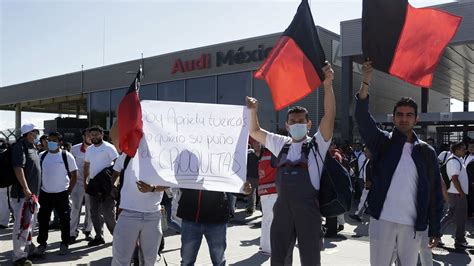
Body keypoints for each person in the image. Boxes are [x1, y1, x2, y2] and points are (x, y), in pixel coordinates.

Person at [355, 61, 443, 265]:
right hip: (381, 220)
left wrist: (435, 229)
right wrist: (366, 82)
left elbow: (434, 193)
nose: (404, 119)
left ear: (416, 119)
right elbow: (361, 116)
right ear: (393, 118)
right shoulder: (382, 142)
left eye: (409, 115)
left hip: (412, 225)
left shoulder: (426, 152)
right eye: (400, 115)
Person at [246, 63, 335, 265]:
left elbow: (329, 117)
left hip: (309, 213)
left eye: (301, 121)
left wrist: (328, 85)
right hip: (282, 211)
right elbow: (255, 132)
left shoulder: (317, 146)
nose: (297, 124)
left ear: (309, 124)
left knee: (310, 260)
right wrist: (253, 111)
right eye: (293, 121)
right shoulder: (282, 144)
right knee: (278, 259)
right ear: (286, 125)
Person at [111, 153, 166, 266]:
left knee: (149, 261)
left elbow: (171, 182)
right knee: (120, 260)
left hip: (153, 215)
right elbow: (116, 172)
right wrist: (114, 185)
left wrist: (153, 188)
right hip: (128, 213)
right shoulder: (126, 155)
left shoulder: (162, 154)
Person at [178, 184, 251, 266]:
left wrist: (243, 191)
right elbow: (179, 181)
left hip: (216, 217)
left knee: (218, 260)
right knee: (187, 260)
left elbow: (232, 182)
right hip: (190, 217)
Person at [36, 131, 78, 256]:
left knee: (64, 220)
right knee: (43, 220)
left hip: (62, 194)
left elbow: (74, 174)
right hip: (45, 194)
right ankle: (42, 244)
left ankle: (64, 243)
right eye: (49, 140)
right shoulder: (42, 156)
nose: (50, 143)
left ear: (60, 142)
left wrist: (69, 190)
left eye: (54, 140)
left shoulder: (66, 156)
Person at [11, 123, 41, 266]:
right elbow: (18, 168)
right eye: (35, 132)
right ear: (29, 133)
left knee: (30, 225)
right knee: (21, 226)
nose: (37, 135)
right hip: (23, 195)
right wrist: (26, 188)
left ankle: (28, 249)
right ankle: (19, 257)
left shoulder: (32, 147)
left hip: (33, 195)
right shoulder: (20, 146)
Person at [84, 125, 119, 246]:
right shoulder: (89, 149)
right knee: (94, 212)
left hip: (106, 185)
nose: (93, 137)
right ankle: (99, 236)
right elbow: (86, 166)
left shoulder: (109, 147)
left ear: (102, 134)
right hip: (93, 185)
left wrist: (115, 184)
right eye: (91, 135)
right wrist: (85, 182)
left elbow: (117, 165)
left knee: (108, 212)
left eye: (96, 134)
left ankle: (118, 237)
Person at [439, 142, 470, 248]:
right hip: (456, 193)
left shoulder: (458, 160)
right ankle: (459, 239)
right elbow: (454, 178)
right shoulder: (454, 161)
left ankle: (437, 235)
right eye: (463, 149)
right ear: (456, 150)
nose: (465, 151)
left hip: (456, 193)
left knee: (452, 216)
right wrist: (461, 192)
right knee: (456, 216)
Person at [69, 128, 93, 243]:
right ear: (83, 136)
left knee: (90, 209)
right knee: (76, 208)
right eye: (87, 135)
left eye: (91, 135)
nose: (90, 137)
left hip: (92, 183)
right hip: (77, 183)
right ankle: (72, 232)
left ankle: (88, 231)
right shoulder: (74, 149)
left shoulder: (96, 149)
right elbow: (69, 166)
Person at [257, 145, 277, 255]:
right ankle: (268, 248)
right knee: (271, 221)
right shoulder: (275, 156)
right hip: (273, 192)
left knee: (266, 220)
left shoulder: (264, 156)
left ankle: (264, 246)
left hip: (264, 192)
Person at [349, 146, 373, 222]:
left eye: (366, 152)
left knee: (364, 200)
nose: (365, 153)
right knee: (364, 200)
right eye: (364, 152)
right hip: (367, 183)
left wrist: (369, 182)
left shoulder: (372, 161)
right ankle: (359, 214)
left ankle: (358, 214)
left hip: (369, 184)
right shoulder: (368, 160)